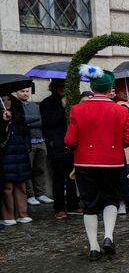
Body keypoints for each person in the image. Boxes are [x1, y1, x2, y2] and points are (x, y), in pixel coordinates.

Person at [64, 66, 129, 259]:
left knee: (90, 204)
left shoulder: (77, 110)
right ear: (109, 88)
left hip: (85, 163)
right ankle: (109, 236)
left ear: (92, 87)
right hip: (112, 163)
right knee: (111, 199)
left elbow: (69, 141)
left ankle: (93, 247)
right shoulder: (120, 111)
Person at [40, 80, 79, 218]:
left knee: (72, 176)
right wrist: (62, 108)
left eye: (65, 87)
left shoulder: (71, 101)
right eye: (60, 87)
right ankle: (59, 208)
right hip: (56, 144)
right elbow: (49, 122)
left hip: (70, 143)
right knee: (58, 177)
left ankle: (73, 205)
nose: (62, 89)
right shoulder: (47, 103)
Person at [14, 86, 50, 206]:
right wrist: (30, 121)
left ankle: (40, 193)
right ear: (17, 92)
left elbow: (42, 121)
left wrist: (28, 121)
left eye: (27, 91)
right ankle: (30, 195)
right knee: (28, 170)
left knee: (40, 169)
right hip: (27, 142)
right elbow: (19, 121)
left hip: (40, 140)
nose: (25, 94)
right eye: (22, 91)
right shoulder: (16, 106)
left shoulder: (35, 106)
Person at [1, 93, 33, 225]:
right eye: (3, 100)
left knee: (20, 185)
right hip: (5, 156)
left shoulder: (19, 115)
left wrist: (27, 147)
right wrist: (4, 123)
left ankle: (22, 213)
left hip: (20, 154)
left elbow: (25, 133)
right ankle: (8, 216)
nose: (7, 102)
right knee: (7, 186)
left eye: (9, 99)